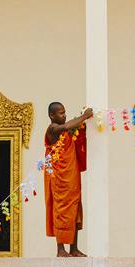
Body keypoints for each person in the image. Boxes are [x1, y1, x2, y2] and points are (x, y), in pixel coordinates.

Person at [44, 102, 93, 257]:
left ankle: (73, 248)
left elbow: (72, 129)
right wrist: (84, 116)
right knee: (61, 211)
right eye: (60, 113)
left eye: (65, 112)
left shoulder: (65, 132)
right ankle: (60, 249)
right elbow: (65, 127)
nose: (64, 115)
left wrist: (82, 123)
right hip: (59, 179)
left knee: (74, 210)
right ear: (52, 116)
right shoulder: (52, 129)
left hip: (71, 177)